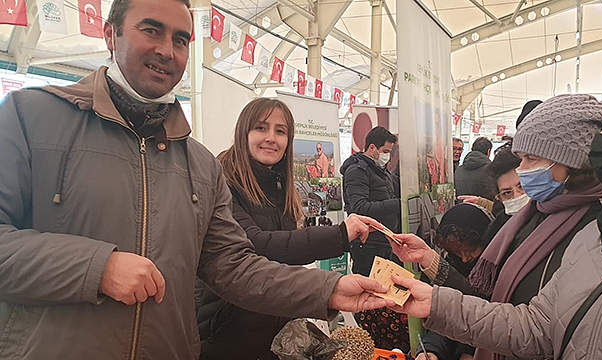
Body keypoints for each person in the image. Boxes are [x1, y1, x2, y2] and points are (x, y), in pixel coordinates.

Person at [0, 1, 393, 359]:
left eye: (181, 39)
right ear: (110, 34)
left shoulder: (199, 165)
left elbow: (233, 266)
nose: (167, 50)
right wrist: (96, 267)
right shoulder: (30, 118)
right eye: (151, 30)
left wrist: (330, 289)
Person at [388, 67, 602, 360]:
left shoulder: (588, 223)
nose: (523, 171)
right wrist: (436, 303)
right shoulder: (593, 233)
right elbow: (535, 325)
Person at [196, 98, 383, 360]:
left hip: (273, 332)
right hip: (227, 331)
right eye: (261, 128)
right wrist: (339, 235)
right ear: (243, 133)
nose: (271, 138)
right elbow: (258, 245)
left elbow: (286, 253)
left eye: (280, 131)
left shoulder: (282, 187)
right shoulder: (224, 186)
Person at [415, 203, 493, 360]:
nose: (464, 259)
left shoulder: (498, 268)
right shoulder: (452, 262)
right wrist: (431, 350)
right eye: (457, 252)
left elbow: (484, 312)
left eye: (471, 251)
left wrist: (469, 352)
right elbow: (448, 314)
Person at [341, 126, 400, 277]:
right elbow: (360, 208)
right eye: (385, 152)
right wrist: (398, 204)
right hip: (367, 244)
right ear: (372, 147)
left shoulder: (382, 172)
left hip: (384, 241)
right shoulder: (356, 171)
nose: (387, 156)